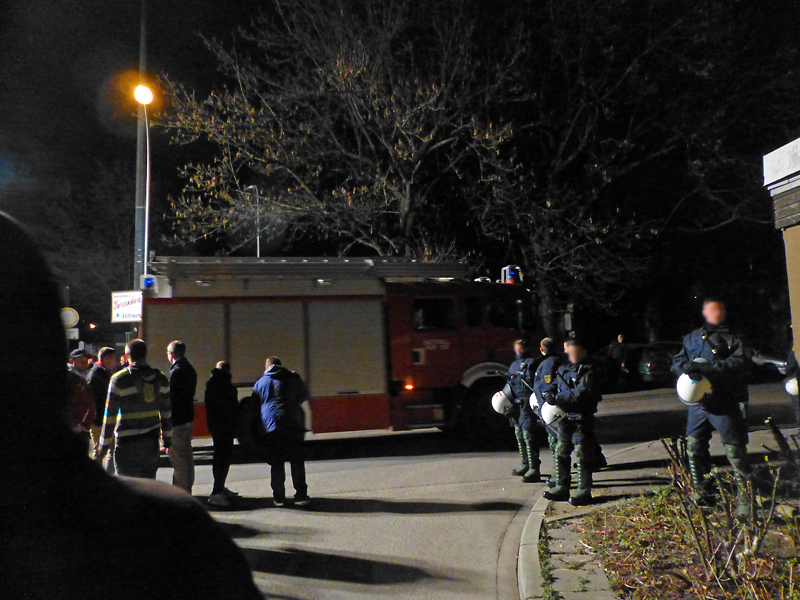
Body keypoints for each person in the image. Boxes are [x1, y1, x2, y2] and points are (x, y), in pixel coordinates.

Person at [0, 212, 262, 599]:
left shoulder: (123, 380)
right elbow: (166, 407)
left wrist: (104, 442)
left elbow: (110, 413)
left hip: (126, 442)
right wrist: (166, 436)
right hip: (147, 443)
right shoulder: (173, 530)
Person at [672, 297, 751, 518]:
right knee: (694, 447)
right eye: (711, 309)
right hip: (699, 403)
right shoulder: (692, 338)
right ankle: (703, 492)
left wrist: (710, 369)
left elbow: (740, 362)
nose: (716, 313)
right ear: (704, 312)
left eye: (719, 309)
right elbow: (678, 361)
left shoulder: (733, 337)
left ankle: (745, 498)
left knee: (735, 450)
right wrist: (686, 369)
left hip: (725, 399)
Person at [100, 339, 172, 479]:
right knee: (147, 489)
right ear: (145, 355)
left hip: (127, 446)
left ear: (127, 356)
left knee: (128, 491)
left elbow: (110, 417)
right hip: (151, 445)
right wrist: (167, 440)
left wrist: (103, 447)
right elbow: (166, 413)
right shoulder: (161, 378)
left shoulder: (119, 379)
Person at [542, 339, 602, 506]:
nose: (569, 353)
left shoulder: (590, 369)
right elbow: (553, 385)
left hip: (582, 417)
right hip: (564, 417)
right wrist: (548, 394)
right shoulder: (563, 368)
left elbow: (582, 392)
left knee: (582, 452)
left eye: (573, 350)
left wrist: (558, 397)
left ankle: (584, 490)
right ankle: (562, 486)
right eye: (568, 350)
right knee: (561, 449)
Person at [252, 357, 311, 507]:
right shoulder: (293, 377)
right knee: (296, 460)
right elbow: (304, 395)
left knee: (277, 462)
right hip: (293, 423)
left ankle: (279, 497)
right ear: (280, 365)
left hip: (272, 427)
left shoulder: (260, 383)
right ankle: (300, 496)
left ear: (267, 367)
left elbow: (254, 405)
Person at [205, 361, 241, 507]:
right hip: (225, 427)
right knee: (223, 458)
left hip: (216, 426)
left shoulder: (211, 385)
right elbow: (232, 408)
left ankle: (220, 488)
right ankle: (217, 492)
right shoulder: (226, 386)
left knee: (220, 456)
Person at [532, 337, 564, 487]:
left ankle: (560, 476)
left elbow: (546, 386)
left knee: (555, 442)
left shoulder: (547, 364)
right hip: (555, 407)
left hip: (550, 409)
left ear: (541, 349)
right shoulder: (559, 360)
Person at [507, 340, 541, 483]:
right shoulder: (513, 365)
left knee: (528, 435)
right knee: (519, 434)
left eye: (519, 347)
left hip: (527, 403)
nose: (517, 349)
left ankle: (534, 468)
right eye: (516, 347)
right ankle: (525, 464)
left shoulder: (532, 363)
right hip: (515, 404)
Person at [167, 340, 198, 494]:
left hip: (176, 420)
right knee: (187, 458)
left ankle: (180, 494)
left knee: (178, 461)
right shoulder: (190, 370)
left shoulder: (176, 372)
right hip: (187, 418)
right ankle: (187, 489)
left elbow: (171, 399)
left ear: (171, 354)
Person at [87, 346, 117, 472]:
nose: (115, 362)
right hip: (100, 420)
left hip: (99, 419)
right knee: (103, 450)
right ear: (107, 358)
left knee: (105, 450)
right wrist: (99, 420)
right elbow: (99, 399)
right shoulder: (99, 374)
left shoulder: (98, 372)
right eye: (114, 358)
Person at [67, 351, 95, 446]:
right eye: (81, 361)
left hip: (80, 426)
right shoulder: (71, 378)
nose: (85, 364)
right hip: (75, 427)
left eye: (86, 361)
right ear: (71, 362)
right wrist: (74, 424)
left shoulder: (81, 377)